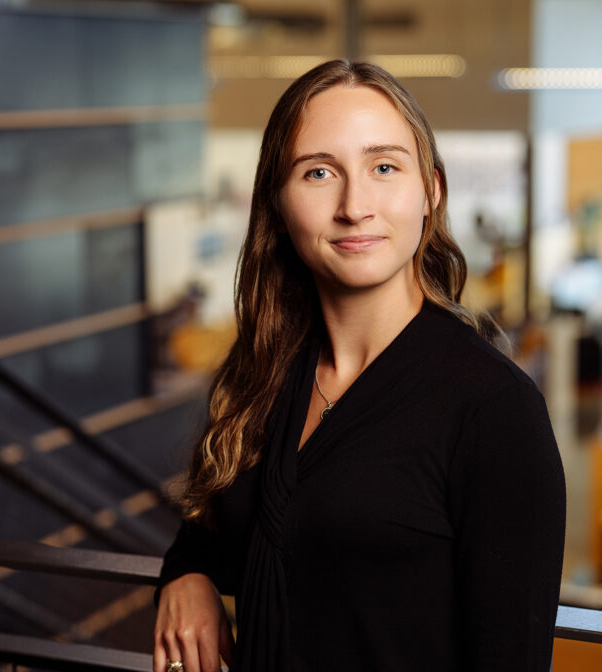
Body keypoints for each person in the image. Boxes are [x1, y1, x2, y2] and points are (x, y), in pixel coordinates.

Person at [153, 59, 566, 672]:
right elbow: (216, 524)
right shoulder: (264, 373)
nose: (354, 205)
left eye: (384, 167)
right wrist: (186, 577)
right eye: (319, 172)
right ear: (280, 200)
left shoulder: (493, 407)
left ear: (432, 190)